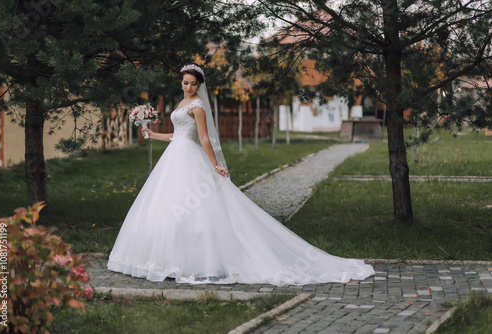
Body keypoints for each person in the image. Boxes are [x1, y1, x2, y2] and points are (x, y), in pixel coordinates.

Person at [107, 63, 374, 286]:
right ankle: (163, 259)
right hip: (174, 156)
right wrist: (153, 134)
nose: (187, 87)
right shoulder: (182, 102)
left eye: (192, 83)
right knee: (166, 206)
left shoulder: (197, 106)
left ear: (199, 84)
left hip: (189, 158)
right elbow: (178, 135)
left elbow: (204, 139)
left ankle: (194, 261)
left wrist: (215, 165)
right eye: (184, 82)